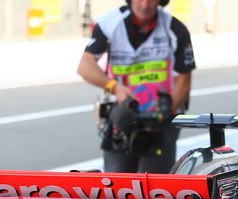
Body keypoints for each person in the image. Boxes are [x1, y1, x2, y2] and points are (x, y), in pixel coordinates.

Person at [77, 0, 195, 173]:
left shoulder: (175, 28)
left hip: (162, 118)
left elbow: (184, 83)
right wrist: (114, 87)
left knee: (156, 188)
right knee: (118, 184)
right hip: (122, 114)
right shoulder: (110, 23)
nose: (145, 5)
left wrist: (164, 112)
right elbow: (85, 66)